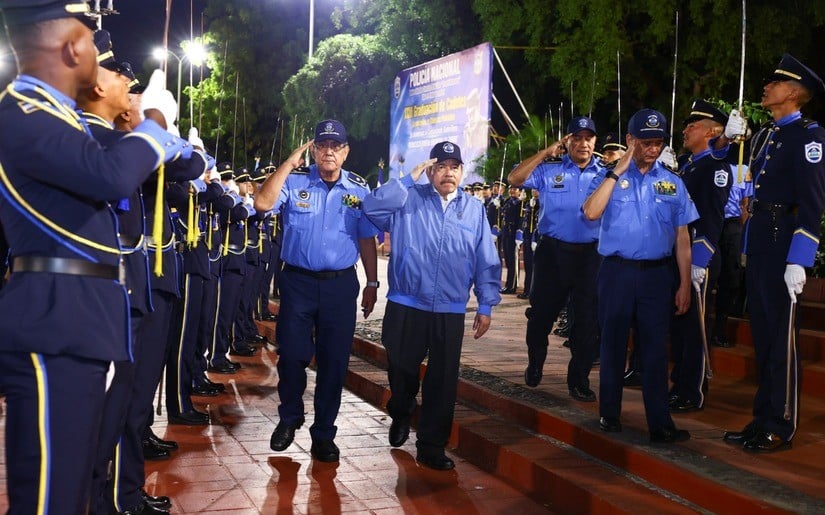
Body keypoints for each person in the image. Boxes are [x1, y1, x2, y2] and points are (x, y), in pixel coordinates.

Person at [0, 2, 189, 512]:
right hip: (55, 324)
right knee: (48, 500)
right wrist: (154, 120)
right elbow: (107, 175)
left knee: (75, 487)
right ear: (72, 47)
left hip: (78, 321)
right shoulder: (20, 112)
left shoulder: (56, 119)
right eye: (91, 39)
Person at [362, 141, 501, 470]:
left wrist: (486, 304)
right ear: (430, 171)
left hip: (450, 308)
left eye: (454, 166)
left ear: (462, 172)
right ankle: (401, 408)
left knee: (442, 381)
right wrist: (407, 181)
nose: (448, 172)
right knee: (401, 367)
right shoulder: (408, 199)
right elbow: (370, 206)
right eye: (441, 166)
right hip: (406, 303)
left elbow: (486, 260)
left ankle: (431, 446)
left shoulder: (473, 210)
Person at [254, 119, 379, 462]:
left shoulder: (359, 189)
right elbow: (263, 205)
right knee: (292, 355)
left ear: (345, 152)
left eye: (335, 146)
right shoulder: (295, 182)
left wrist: (371, 282)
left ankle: (324, 433)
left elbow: (366, 236)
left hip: (340, 286)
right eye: (322, 145)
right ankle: (289, 418)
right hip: (298, 283)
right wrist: (288, 163)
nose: (328, 152)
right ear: (314, 149)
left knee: (334, 363)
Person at [718, 54, 825, 452]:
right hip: (762, 239)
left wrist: (801, 256)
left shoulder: (809, 137)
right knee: (763, 337)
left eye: (775, 83)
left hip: (784, 242)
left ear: (794, 93)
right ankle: (761, 417)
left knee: (780, 337)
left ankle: (779, 424)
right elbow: (729, 165)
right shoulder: (767, 136)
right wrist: (727, 138)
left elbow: (813, 203)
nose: (766, 87)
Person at [583, 108, 698, 442]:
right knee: (614, 343)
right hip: (617, 272)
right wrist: (616, 172)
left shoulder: (672, 182)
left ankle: (660, 423)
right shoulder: (607, 177)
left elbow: (682, 238)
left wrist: (684, 283)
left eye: (658, 142)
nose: (652, 149)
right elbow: (590, 212)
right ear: (630, 140)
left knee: (654, 350)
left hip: (656, 276)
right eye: (645, 142)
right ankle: (609, 413)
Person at [508, 116, 604, 402]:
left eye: (589, 138)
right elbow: (515, 178)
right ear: (568, 141)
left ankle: (579, 379)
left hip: (591, 255)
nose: (583, 143)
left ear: (594, 142)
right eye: (577, 137)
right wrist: (545, 153)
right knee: (541, 315)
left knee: (587, 320)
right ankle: (536, 361)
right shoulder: (549, 171)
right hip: (553, 253)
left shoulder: (606, 175)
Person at [668, 99, 732, 413]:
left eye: (692, 126)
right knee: (680, 325)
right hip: (679, 254)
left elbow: (712, 218)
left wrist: (699, 260)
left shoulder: (715, 167)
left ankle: (692, 391)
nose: (685, 129)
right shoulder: (688, 164)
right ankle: (679, 381)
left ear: (710, 132)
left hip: (698, 256)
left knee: (695, 327)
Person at [498, 183, 522, 294]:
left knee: (513, 261)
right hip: (506, 233)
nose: (512, 191)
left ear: (520, 191)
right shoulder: (508, 202)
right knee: (508, 260)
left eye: (515, 188)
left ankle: (512, 286)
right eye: (511, 188)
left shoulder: (520, 203)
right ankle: (508, 284)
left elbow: (521, 220)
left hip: (513, 233)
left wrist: (519, 234)